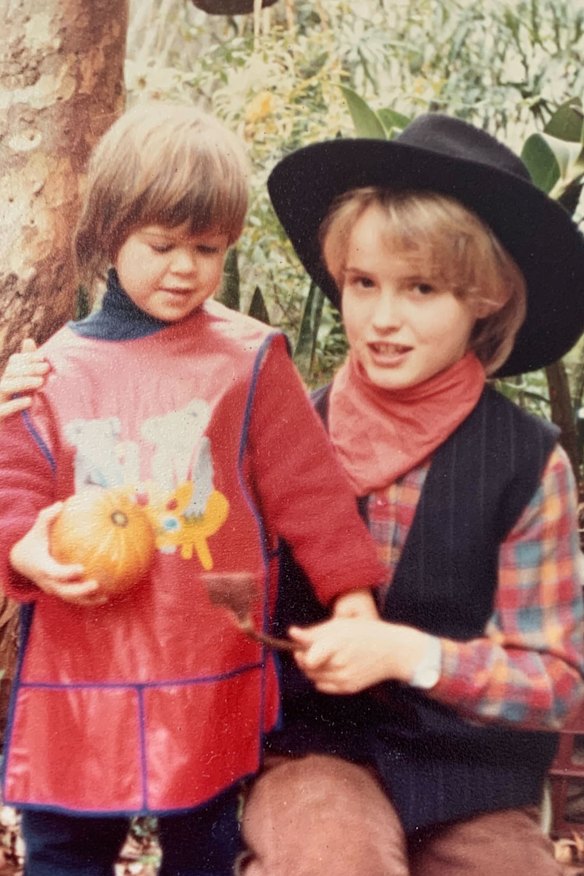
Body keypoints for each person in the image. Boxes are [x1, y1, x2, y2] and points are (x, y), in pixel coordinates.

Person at [0, 102, 386, 876]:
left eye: (207, 249)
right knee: (64, 847)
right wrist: (25, 550)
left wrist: (352, 598)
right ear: (111, 234)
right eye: (162, 244)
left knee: (203, 840)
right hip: (82, 664)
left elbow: (309, 492)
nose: (185, 268)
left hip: (206, 655)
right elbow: (14, 486)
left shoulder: (247, 360)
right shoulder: (49, 373)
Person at [237, 114, 584, 875]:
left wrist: (407, 653)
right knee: (337, 862)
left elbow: (556, 685)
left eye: (421, 288)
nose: (382, 320)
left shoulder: (529, 465)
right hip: (312, 755)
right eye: (363, 283)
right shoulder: (285, 432)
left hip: (470, 781)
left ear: (486, 298)